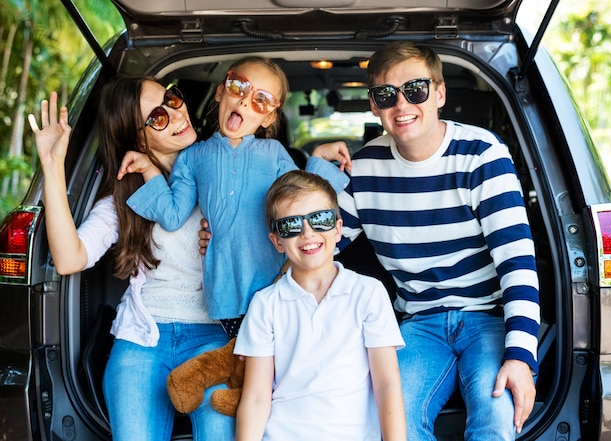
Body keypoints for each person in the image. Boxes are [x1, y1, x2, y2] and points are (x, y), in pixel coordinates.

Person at [335, 41, 541, 440]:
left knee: (495, 420)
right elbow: (320, 242)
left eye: (415, 89)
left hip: (489, 318)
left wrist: (519, 356)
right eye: (385, 95)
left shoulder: (482, 154)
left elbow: (517, 262)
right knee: (394, 424)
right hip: (419, 321)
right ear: (374, 105)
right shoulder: (363, 168)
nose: (401, 104)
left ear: (439, 93)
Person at [28, 77, 236, 441]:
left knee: (221, 429)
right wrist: (52, 166)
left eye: (171, 99)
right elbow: (69, 259)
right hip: (143, 338)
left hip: (214, 337)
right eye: (157, 117)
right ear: (137, 139)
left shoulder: (221, 171)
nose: (176, 113)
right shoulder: (124, 201)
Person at [119, 56, 350, 336]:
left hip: (277, 284)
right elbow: (172, 216)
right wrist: (148, 169)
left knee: (278, 364)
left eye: (261, 100)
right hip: (224, 292)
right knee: (236, 361)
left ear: (268, 117)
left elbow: (305, 201)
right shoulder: (192, 157)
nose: (244, 101)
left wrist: (316, 160)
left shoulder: (274, 153)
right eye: (238, 87)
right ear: (220, 92)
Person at [233, 170, 406, 441]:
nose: (307, 233)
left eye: (320, 220)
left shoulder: (368, 293)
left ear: (338, 228)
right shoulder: (265, 304)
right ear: (277, 241)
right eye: (290, 226)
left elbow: (386, 384)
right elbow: (256, 397)